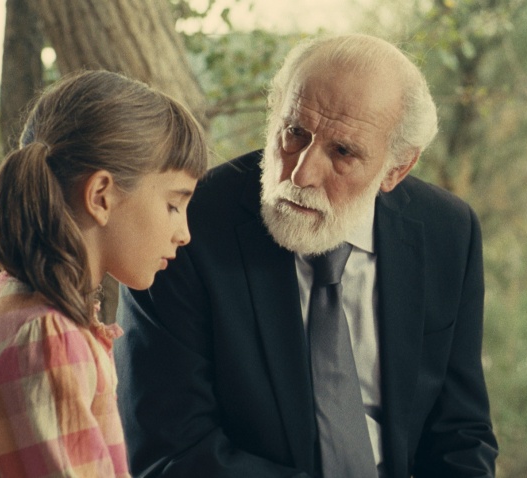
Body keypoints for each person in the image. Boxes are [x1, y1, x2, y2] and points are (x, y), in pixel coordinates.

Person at [116, 33, 498, 477]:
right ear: (274, 112)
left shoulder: (448, 232)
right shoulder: (187, 227)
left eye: (343, 152)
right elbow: (170, 452)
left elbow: (461, 435)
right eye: (295, 133)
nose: (301, 173)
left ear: (396, 169)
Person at [0, 69, 207, 477]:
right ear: (101, 196)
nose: (184, 233)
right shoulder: (43, 338)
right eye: (173, 205)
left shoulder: (19, 308)